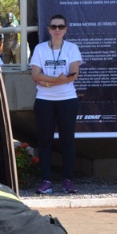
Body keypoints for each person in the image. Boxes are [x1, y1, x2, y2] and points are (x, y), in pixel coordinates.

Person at [30, 14, 81, 195]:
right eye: (54, 27)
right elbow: (35, 75)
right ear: (49, 29)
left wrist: (48, 82)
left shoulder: (72, 48)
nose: (57, 30)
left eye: (60, 26)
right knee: (44, 141)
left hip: (67, 99)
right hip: (44, 101)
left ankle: (68, 180)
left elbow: (73, 74)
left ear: (66, 29)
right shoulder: (40, 48)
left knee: (68, 141)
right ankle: (46, 180)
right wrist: (55, 80)